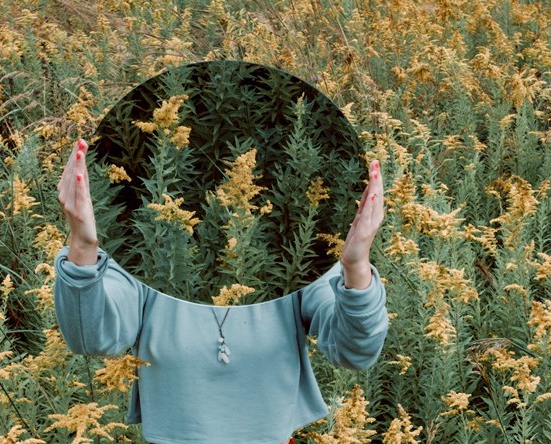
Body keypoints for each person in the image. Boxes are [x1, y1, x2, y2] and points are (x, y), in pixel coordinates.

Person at [54, 138, 388, 444]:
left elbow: (353, 351)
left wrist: (356, 265)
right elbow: (92, 338)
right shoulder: (146, 253)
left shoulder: (297, 261)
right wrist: (82, 247)